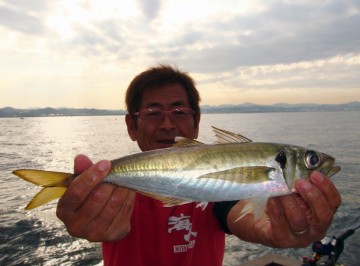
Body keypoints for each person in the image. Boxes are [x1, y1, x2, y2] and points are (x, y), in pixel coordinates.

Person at [56, 65, 341, 265]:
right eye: (153, 112)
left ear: (197, 121)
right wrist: (83, 215)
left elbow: (239, 210)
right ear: (131, 125)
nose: (168, 124)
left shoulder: (215, 198)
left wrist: (276, 229)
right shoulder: (111, 196)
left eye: (179, 111)